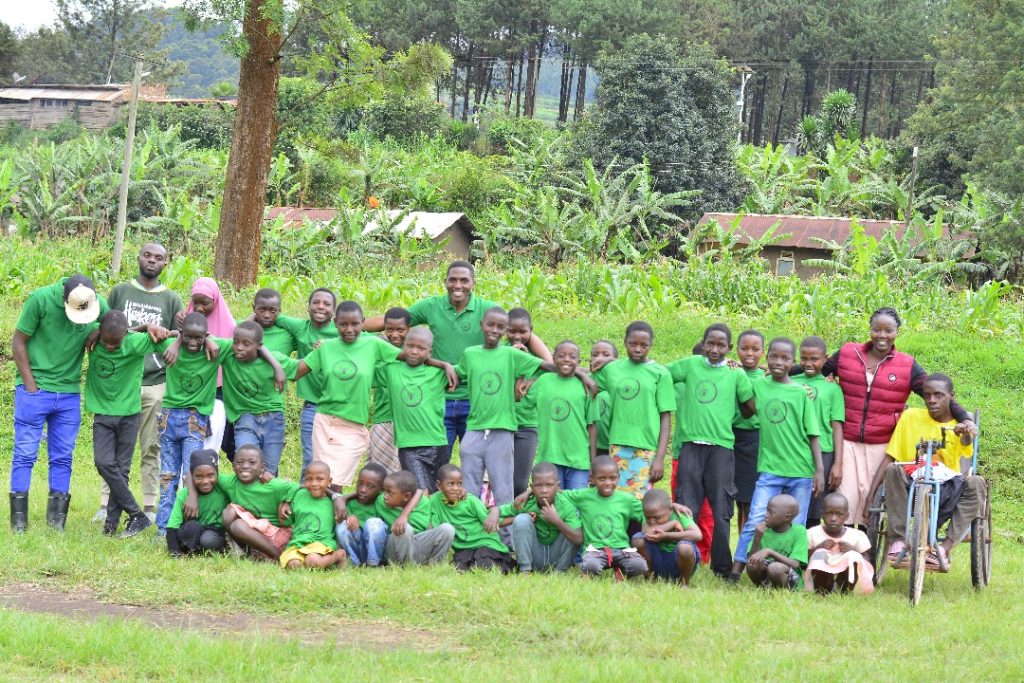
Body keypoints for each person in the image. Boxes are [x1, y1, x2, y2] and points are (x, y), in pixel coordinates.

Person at [363, 261, 547, 461]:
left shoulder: (487, 309)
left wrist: (544, 364)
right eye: (453, 280)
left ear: (473, 284)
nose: (458, 285)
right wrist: (355, 326)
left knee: (476, 461)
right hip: (440, 397)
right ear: (445, 282)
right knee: (438, 462)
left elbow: (522, 333)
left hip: (476, 399)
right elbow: (394, 321)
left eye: (464, 280)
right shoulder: (431, 306)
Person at [810, 307, 976, 524]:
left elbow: (937, 394)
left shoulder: (906, 365)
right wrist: (785, 373)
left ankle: (866, 545)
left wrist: (965, 418)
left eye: (888, 330)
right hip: (847, 441)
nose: (882, 336)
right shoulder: (849, 353)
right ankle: (846, 543)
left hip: (881, 443)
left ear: (897, 331)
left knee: (871, 504)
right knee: (846, 499)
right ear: (870, 330)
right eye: (876, 330)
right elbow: (815, 370)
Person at [454, 307, 590, 530]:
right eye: (492, 325)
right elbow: (457, 373)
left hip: (514, 427)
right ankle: (469, 533)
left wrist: (583, 375)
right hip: (480, 427)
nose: (495, 330)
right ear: (482, 325)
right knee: (474, 484)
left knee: (509, 485)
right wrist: (438, 364)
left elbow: (552, 366)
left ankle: (507, 537)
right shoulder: (473, 354)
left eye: (500, 327)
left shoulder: (516, 355)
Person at [10, 274, 107, 532]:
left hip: (69, 393)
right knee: (25, 454)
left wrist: (100, 330)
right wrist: (30, 385)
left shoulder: (95, 302)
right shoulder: (40, 300)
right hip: (35, 390)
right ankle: (19, 523)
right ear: (64, 300)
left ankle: (56, 524)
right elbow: (18, 341)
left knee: (63, 457)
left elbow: (114, 323)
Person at [99, 242, 183, 524]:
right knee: (111, 450)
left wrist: (165, 335)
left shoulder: (171, 298)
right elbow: (107, 328)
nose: (152, 260)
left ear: (165, 263)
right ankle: (105, 504)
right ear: (138, 258)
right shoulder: (120, 291)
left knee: (151, 446)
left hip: (155, 382)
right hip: (121, 382)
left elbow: (180, 334)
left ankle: (149, 504)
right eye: (147, 255)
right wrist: (144, 328)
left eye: (158, 257)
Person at [731, 337, 824, 580]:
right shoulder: (759, 386)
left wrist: (819, 470)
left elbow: (813, 433)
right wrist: (736, 371)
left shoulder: (800, 393)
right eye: (774, 357)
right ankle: (736, 570)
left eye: (785, 358)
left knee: (797, 525)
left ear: (793, 362)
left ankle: (792, 574)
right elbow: (747, 411)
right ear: (767, 357)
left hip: (801, 470)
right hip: (770, 469)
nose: (778, 362)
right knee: (755, 519)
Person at [667, 323, 755, 578]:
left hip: (721, 449)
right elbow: (661, 374)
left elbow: (749, 408)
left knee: (721, 510)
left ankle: (722, 568)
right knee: (687, 507)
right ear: (703, 344)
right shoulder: (691, 364)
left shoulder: (735, 374)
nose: (715, 349)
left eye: (721, 345)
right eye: (710, 344)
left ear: (729, 348)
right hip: (691, 447)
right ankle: (683, 562)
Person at [869, 373, 979, 572]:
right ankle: (898, 541)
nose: (932, 400)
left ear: (951, 396)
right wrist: (871, 494)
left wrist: (965, 432)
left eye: (938, 395)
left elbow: (966, 444)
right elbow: (892, 456)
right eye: (927, 395)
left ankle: (943, 549)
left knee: (977, 483)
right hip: (912, 482)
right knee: (893, 469)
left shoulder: (959, 425)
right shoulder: (910, 417)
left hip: (946, 488)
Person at [85, 311, 166, 537]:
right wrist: (95, 333)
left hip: (129, 414)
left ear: (125, 335)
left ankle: (111, 525)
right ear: (100, 332)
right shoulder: (92, 340)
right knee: (103, 462)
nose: (111, 346)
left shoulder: (134, 343)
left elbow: (169, 339)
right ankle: (137, 514)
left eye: (116, 342)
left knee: (122, 469)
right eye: (107, 342)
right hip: (103, 413)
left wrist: (152, 328)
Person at [155, 313, 231, 536]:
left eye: (199, 338)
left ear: (206, 335)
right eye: (188, 337)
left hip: (194, 420)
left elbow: (249, 340)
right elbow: (139, 332)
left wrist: (209, 340)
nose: (193, 342)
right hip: (169, 418)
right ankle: (164, 529)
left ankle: (187, 526)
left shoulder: (215, 349)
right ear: (181, 333)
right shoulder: (171, 347)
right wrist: (176, 340)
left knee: (191, 474)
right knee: (167, 475)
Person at [591, 321, 673, 500]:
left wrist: (660, 458)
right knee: (615, 499)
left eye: (644, 345)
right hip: (617, 443)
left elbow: (666, 418)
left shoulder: (660, 373)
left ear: (651, 345)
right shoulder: (612, 369)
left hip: (646, 446)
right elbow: (587, 379)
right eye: (632, 344)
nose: (637, 349)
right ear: (625, 342)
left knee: (639, 501)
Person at [272, 287, 337, 474]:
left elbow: (362, 338)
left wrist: (331, 345)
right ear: (308, 307)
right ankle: (306, 490)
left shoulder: (341, 330)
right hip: (312, 405)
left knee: (334, 457)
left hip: (339, 406)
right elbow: (271, 314)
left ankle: (331, 491)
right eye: (316, 302)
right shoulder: (301, 327)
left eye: (326, 304)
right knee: (310, 455)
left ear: (334, 311)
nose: (320, 306)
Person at [378, 327, 450, 492]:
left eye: (421, 348)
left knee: (438, 492)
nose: (414, 351)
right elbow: (372, 347)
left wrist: (445, 366)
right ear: (403, 346)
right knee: (420, 493)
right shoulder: (391, 370)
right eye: (410, 346)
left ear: (430, 352)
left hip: (436, 443)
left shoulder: (438, 373)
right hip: (408, 445)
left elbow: (469, 371)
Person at [220, 321, 293, 476]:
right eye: (236, 342)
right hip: (245, 417)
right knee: (247, 465)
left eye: (246, 344)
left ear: (258, 346)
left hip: (273, 417)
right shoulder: (228, 352)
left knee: (269, 473)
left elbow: (303, 367)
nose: (239, 347)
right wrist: (174, 334)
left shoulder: (276, 358)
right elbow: (201, 336)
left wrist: (277, 366)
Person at [523, 341, 597, 491]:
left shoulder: (585, 386)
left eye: (572, 356)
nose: (567, 359)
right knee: (554, 501)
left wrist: (593, 461)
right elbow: (521, 400)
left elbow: (592, 426)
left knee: (576, 502)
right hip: (550, 457)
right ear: (553, 358)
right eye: (561, 355)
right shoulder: (543, 381)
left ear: (579, 361)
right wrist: (525, 377)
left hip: (579, 459)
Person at [485, 462, 583, 573]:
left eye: (549, 485)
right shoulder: (526, 503)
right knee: (522, 519)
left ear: (558, 486)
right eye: (538, 486)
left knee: (572, 529)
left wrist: (557, 521)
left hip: (557, 558)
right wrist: (496, 510)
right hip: (536, 557)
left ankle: (560, 571)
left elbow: (578, 539)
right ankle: (525, 569)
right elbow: (497, 512)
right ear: (532, 488)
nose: (544, 490)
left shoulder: (566, 505)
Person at [560, 456, 648, 580]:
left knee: (640, 566)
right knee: (591, 566)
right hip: (595, 550)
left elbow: (646, 513)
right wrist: (574, 521)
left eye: (612, 478)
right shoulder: (584, 496)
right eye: (602, 478)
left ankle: (621, 569)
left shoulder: (626, 500)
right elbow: (562, 496)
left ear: (618, 478)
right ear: (592, 479)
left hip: (622, 549)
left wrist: (648, 527)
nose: (607, 483)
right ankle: (595, 570)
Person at [207, 445, 301, 561]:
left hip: (277, 535)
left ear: (262, 468)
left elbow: (305, 488)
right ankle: (246, 551)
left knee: (237, 524)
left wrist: (287, 500)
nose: (245, 466)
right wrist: (191, 494)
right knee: (230, 513)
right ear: (233, 466)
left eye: (252, 462)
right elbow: (199, 470)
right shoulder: (230, 482)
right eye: (240, 462)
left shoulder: (272, 485)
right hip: (253, 535)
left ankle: (278, 557)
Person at [179, 277, 237, 456]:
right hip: (188, 391)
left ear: (216, 301)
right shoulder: (186, 321)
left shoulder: (230, 327)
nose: (199, 308)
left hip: (217, 394)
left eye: (205, 303)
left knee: (209, 446)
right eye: (195, 303)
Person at [793, 336, 845, 527]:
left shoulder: (833, 389)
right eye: (804, 358)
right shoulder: (790, 382)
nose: (808, 363)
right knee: (792, 507)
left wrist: (837, 463)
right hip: (795, 451)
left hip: (823, 453)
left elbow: (837, 426)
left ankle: (812, 545)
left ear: (825, 358)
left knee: (815, 510)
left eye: (814, 359)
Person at [429, 464, 512, 572]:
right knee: (460, 569)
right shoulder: (434, 501)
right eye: (450, 484)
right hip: (464, 547)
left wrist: (515, 518)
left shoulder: (471, 501)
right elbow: (434, 526)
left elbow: (493, 521)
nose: (456, 488)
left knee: (485, 566)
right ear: (439, 485)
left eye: (459, 484)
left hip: (485, 542)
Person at [506, 308, 552, 497]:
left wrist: (530, 374)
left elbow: (554, 369)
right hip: (502, 425)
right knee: (501, 480)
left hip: (527, 427)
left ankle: (517, 513)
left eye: (523, 331)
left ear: (531, 331)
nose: (517, 336)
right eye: (511, 331)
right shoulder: (502, 354)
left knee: (519, 483)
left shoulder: (541, 363)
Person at [279, 462, 348, 570]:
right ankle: (308, 563)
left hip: (321, 543)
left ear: (329, 481)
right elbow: (285, 521)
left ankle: (338, 555)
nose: (314, 483)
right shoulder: (299, 495)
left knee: (313, 561)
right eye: (308, 479)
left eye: (319, 479)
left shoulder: (333, 503)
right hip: (299, 543)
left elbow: (342, 521)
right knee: (293, 564)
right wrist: (283, 504)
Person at [367, 307, 411, 474]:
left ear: (409, 329)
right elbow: (357, 333)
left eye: (400, 330)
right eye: (389, 329)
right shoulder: (378, 349)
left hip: (408, 421)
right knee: (380, 473)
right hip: (383, 419)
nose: (394, 335)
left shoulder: (415, 352)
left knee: (404, 473)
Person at [379, 470, 455, 566]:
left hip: (417, 543)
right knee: (405, 528)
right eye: (384, 491)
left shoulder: (424, 502)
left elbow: (423, 526)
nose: (385, 496)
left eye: (390, 493)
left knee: (448, 529)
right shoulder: (381, 502)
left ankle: (435, 563)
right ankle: (407, 566)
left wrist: (405, 515)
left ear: (406, 496)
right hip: (395, 549)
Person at [732, 329, 767, 536]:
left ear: (763, 351)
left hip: (757, 441)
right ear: (736, 350)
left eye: (755, 349)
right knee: (739, 501)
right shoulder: (731, 372)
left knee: (752, 500)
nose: (750, 353)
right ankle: (741, 545)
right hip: (733, 438)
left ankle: (749, 545)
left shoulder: (767, 376)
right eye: (744, 348)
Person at [630, 489, 702, 587]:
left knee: (685, 548)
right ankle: (650, 577)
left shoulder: (680, 515)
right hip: (658, 561)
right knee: (637, 540)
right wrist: (673, 524)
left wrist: (666, 535)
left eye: (657, 518)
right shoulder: (650, 514)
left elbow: (697, 535)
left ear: (670, 510)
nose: (652, 522)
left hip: (678, 563)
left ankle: (684, 583)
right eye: (648, 518)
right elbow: (648, 532)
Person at [805, 492, 874, 594]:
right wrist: (818, 548)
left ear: (847, 516)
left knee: (853, 556)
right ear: (822, 515)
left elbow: (867, 561)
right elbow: (803, 561)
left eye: (839, 514)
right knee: (820, 554)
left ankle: (844, 590)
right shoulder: (812, 533)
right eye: (829, 513)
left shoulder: (856, 535)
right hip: (821, 578)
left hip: (844, 577)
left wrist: (853, 550)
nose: (833, 519)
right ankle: (821, 590)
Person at [166, 450, 228, 557]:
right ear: (192, 476)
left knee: (207, 540)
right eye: (199, 477)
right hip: (192, 532)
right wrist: (175, 553)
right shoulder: (184, 494)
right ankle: (191, 549)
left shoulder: (223, 489)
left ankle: (212, 548)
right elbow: (172, 526)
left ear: (217, 473)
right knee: (192, 526)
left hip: (214, 532)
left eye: (210, 476)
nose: (205, 481)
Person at [745, 494, 808, 589]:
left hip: (789, 575)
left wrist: (769, 552)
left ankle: (782, 589)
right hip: (767, 570)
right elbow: (751, 559)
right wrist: (757, 538)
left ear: (786, 517)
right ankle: (763, 588)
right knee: (752, 565)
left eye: (770, 512)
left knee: (775, 568)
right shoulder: (762, 530)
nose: (765, 514)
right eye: (766, 510)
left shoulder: (799, 531)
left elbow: (795, 564)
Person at [335, 463, 389, 567]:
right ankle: (354, 563)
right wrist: (348, 518)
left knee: (374, 523)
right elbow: (337, 520)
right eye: (360, 483)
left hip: (379, 551)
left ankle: (373, 564)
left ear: (381, 489)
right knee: (342, 525)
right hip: (358, 549)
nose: (363, 489)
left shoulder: (383, 502)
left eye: (371, 486)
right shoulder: (349, 503)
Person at [589, 341, 617, 457]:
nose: (600, 358)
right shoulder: (588, 379)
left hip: (616, 446)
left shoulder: (620, 379)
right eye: (595, 355)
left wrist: (610, 361)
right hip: (591, 446)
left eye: (606, 355)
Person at [250, 288, 296, 356]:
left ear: (279, 311)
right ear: (254, 308)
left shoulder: (288, 335)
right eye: (262, 310)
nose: (267, 315)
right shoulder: (238, 328)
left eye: (273, 311)